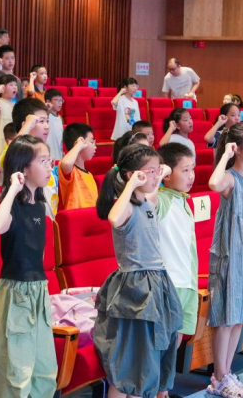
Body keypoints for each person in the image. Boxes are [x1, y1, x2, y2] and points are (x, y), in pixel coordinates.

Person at [93, 144, 183, 398]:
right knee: (130, 363)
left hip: (156, 282)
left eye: (156, 171)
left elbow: (163, 173)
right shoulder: (126, 207)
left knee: (146, 361)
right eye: (149, 172)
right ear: (132, 175)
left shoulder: (147, 201)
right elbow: (113, 218)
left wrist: (156, 170)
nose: (156, 176)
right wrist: (132, 183)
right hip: (135, 288)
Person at [0, 135, 57, 397]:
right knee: (17, 372)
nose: (49, 167)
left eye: (49, 160)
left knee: (44, 370)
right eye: (43, 161)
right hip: (16, 293)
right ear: (24, 169)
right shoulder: (12, 205)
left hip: (39, 290)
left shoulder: (39, 204)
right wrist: (13, 189)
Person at [206, 122, 243, 397]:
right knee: (227, 318)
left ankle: (227, 372)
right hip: (231, 255)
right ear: (237, 149)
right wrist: (226, 155)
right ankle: (218, 377)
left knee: (239, 318)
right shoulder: (230, 178)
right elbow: (213, 183)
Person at [157, 143, 199, 358]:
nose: (191, 176)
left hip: (188, 282)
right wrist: (158, 173)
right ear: (166, 174)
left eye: (192, 169)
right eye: (185, 170)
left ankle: (166, 380)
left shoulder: (183, 200)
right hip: (170, 284)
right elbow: (145, 200)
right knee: (162, 344)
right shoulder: (161, 200)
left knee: (176, 341)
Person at [0, 98, 58, 219]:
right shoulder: (17, 151)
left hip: (48, 221)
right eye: (41, 121)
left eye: (47, 121)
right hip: (27, 219)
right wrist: (27, 126)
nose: (47, 126)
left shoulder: (45, 151)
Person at [59, 123, 98, 211]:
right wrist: (79, 146)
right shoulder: (70, 170)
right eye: (92, 142)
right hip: (75, 217)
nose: (95, 147)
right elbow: (66, 163)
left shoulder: (89, 175)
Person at [45, 88, 64, 161]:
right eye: (56, 100)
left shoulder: (59, 118)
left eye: (61, 100)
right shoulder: (45, 117)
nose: (60, 103)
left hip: (58, 156)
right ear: (48, 101)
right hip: (49, 156)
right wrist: (46, 108)